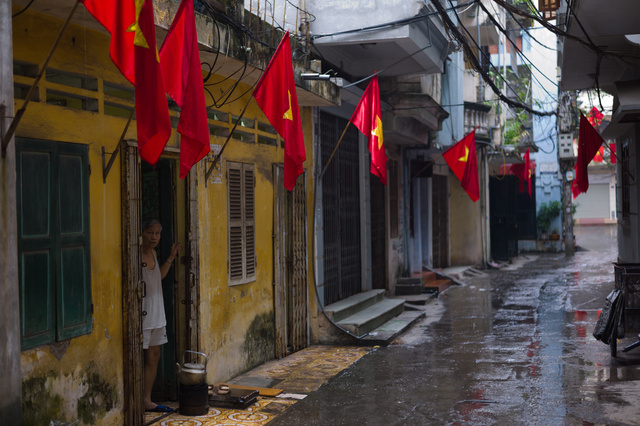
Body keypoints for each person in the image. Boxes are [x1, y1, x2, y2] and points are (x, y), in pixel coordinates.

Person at [140, 218, 181, 413]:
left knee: (154, 356)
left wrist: (171, 258)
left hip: (157, 313)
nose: (154, 237)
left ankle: (146, 399)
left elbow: (159, 276)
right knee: (138, 357)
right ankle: (135, 399)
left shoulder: (154, 254)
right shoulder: (136, 256)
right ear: (141, 233)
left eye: (157, 233)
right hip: (142, 314)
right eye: (150, 232)